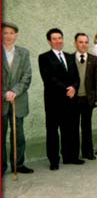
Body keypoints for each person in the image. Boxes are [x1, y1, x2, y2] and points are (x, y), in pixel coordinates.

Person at [38, 28, 82, 170]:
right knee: (52, 131)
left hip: (70, 100)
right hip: (54, 101)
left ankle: (71, 157)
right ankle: (54, 160)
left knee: (70, 129)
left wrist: (74, 87)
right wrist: (66, 89)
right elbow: (49, 79)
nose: (58, 41)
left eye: (60, 38)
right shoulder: (44, 58)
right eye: (54, 39)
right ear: (49, 41)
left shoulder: (70, 57)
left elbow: (76, 76)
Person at [2, 22, 34, 175]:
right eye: (5, 33)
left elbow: (27, 76)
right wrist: (4, 93)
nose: (8, 36)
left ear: (16, 35)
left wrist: (15, 91)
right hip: (2, 101)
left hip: (18, 100)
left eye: (11, 33)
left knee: (18, 135)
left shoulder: (23, 53)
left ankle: (18, 164)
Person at [73, 33, 97, 161]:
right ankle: (74, 154)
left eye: (86, 42)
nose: (83, 45)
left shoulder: (93, 59)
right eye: (80, 42)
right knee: (73, 126)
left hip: (87, 98)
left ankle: (87, 152)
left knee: (87, 126)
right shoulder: (70, 58)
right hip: (73, 99)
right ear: (75, 43)